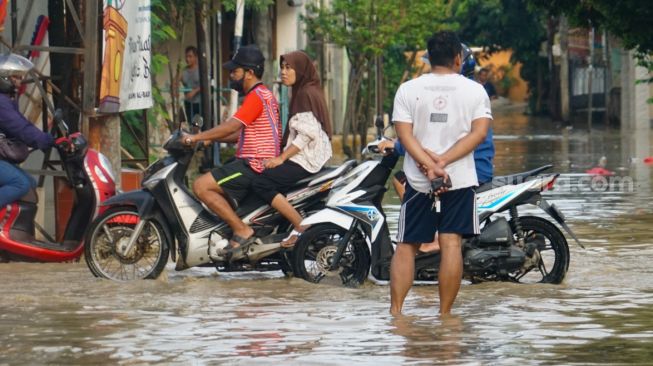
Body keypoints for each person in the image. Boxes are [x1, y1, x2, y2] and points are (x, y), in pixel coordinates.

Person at [390, 31, 492, 316]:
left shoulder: (408, 90)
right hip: (458, 179)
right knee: (451, 243)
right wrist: (444, 162)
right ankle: (445, 315)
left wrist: (428, 164)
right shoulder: (475, 91)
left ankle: (396, 315)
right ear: (458, 58)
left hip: (418, 181)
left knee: (407, 244)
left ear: (428, 58)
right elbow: (480, 133)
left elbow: (404, 136)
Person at [184, 45, 281, 258]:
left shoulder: (256, 97)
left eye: (235, 71)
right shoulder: (264, 95)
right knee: (215, 181)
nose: (231, 75)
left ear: (250, 72)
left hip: (253, 165)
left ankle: (241, 229)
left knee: (200, 185)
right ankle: (228, 229)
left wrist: (198, 136)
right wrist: (209, 139)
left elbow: (232, 126)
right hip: (258, 162)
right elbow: (242, 134)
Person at [250, 50, 332, 248]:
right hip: (307, 156)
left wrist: (281, 159)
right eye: (282, 68)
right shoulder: (304, 90)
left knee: (261, 183)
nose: (283, 72)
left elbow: (306, 134)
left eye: (289, 68)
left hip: (306, 159)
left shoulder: (305, 93)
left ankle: (300, 225)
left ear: (301, 70)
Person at [0, 54, 53, 209]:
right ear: (4, 78)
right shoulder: (2, 103)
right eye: (15, 77)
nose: (19, 81)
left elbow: (23, 124)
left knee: (30, 183)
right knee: (20, 184)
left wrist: (48, 139)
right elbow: (20, 128)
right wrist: (46, 140)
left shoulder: (8, 99)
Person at [181, 46, 202, 122]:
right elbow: (175, 82)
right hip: (189, 103)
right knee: (191, 125)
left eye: (190, 56)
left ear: (195, 57)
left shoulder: (201, 70)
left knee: (199, 125)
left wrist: (194, 91)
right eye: (186, 57)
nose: (187, 59)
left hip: (200, 103)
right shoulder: (183, 71)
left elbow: (206, 84)